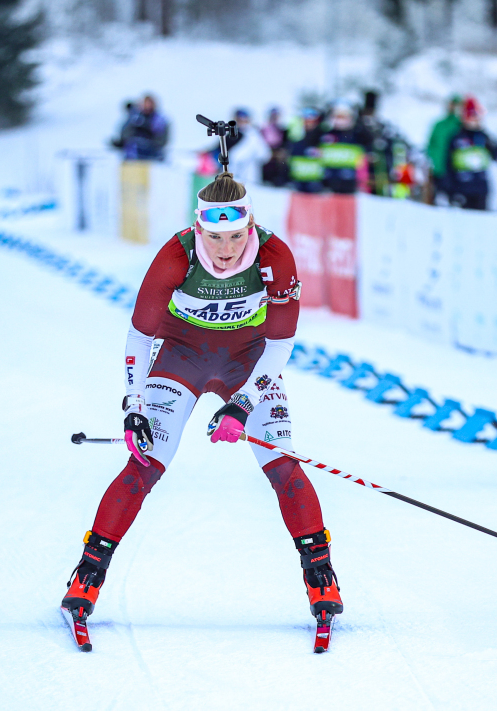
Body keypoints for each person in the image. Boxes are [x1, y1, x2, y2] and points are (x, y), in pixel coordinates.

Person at [62, 172, 342, 629]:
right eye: (214, 237)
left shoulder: (275, 257)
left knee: (283, 465)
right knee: (145, 463)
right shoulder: (177, 255)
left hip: (249, 360)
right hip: (182, 356)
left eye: (236, 236)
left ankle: (322, 579)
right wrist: (134, 407)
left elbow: (280, 343)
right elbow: (140, 336)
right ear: (198, 228)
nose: (226, 249)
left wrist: (243, 403)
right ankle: (87, 575)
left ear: (251, 226)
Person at [444, 96, 496, 210]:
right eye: (472, 117)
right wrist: (450, 190)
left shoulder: (483, 137)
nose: (475, 120)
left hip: (481, 188)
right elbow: (448, 164)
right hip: (462, 189)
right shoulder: (456, 137)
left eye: (477, 117)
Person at [320, 101, 370, 194]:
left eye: (343, 117)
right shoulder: (325, 133)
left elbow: (369, 141)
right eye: (337, 116)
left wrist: (360, 120)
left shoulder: (357, 135)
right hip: (327, 181)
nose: (340, 120)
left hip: (351, 181)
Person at [425, 95, 462, 204]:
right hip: (439, 168)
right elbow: (431, 144)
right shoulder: (439, 125)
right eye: (452, 104)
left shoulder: (461, 125)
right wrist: (432, 159)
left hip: (457, 172)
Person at [225, 108, 272, 186]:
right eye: (238, 119)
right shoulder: (229, 134)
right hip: (232, 174)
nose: (241, 122)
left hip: (250, 176)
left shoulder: (253, 134)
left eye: (243, 119)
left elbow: (264, 154)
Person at [120, 95, 170, 161]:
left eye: (149, 103)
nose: (147, 106)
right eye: (145, 103)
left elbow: (162, 140)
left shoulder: (159, 121)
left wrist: (149, 138)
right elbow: (125, 134)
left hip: (153, 156)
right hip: (133, 155)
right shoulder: (135, 119)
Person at [286, 108, 325, 193]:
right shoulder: (294, 138)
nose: (309, 124)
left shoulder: (321, 137)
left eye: (312, 122)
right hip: (297, 179)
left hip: (315, 180)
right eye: (306, 121)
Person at [260, 107, 289, 187]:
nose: (274, 118)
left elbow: (286, 145)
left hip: (278, 156)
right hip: (267, 155)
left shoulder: (283, 130)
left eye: (276, 116)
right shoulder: (263, 130)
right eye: (272, 116)